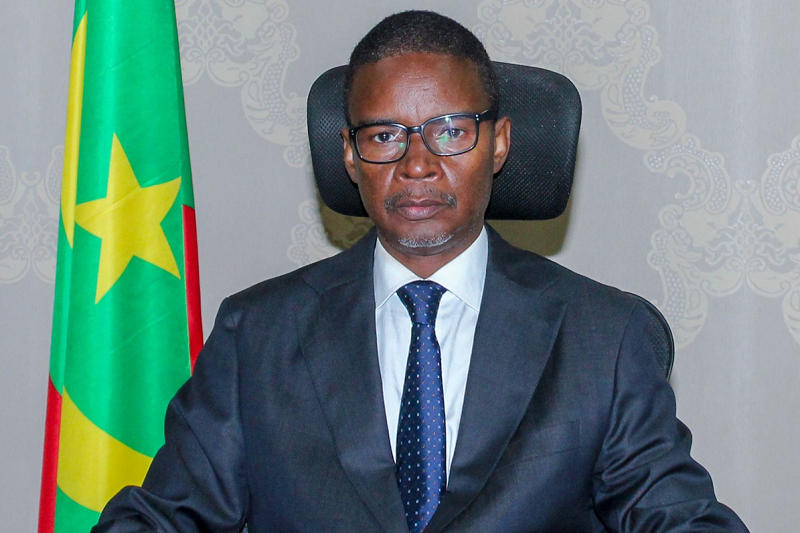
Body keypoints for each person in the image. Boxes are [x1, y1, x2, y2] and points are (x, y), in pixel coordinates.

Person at [93, 10, 749, 533]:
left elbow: (679, 516)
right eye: (384, 136)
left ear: (499, 142)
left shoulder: (605, 338)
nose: (416, 164)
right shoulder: (257, 333)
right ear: (349, 155)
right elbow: (164, 516)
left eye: (450, 131)